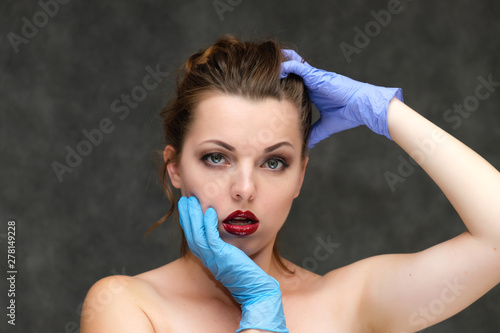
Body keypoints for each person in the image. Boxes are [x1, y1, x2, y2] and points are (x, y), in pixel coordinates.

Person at [81, 35, 500, 332]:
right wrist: (261, 312)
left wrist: (385, 113)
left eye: (274, 162)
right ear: (175, 169)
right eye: (216, 157)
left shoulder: (347, 303)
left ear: (301, 174)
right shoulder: (126, 305)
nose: (244, 188)